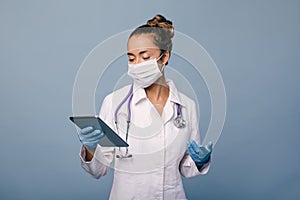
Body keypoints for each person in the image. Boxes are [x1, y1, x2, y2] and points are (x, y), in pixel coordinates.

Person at [77, 14, 213, 200]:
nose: (136, 65)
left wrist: (200, 160)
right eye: (132, 59)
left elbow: (186, 168)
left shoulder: (187, 106)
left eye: (145, 56)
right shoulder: (114, 102)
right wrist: (91, 148)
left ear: (164, 57)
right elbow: (98, 170)